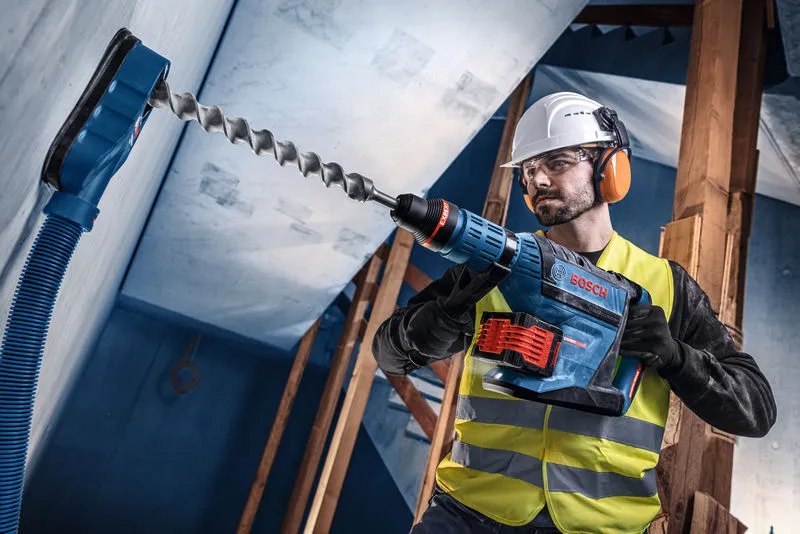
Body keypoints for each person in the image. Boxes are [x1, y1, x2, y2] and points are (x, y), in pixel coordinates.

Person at [371, 92, 777, 534]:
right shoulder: (493, 267)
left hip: (602, 526)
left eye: (558, 162)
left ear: (609, 168)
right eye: (528, 170)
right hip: (470, 512)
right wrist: (443, 317)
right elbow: (389, 354)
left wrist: (675, 355)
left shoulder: (666, 286)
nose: (538, 180)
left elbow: (755, 409)